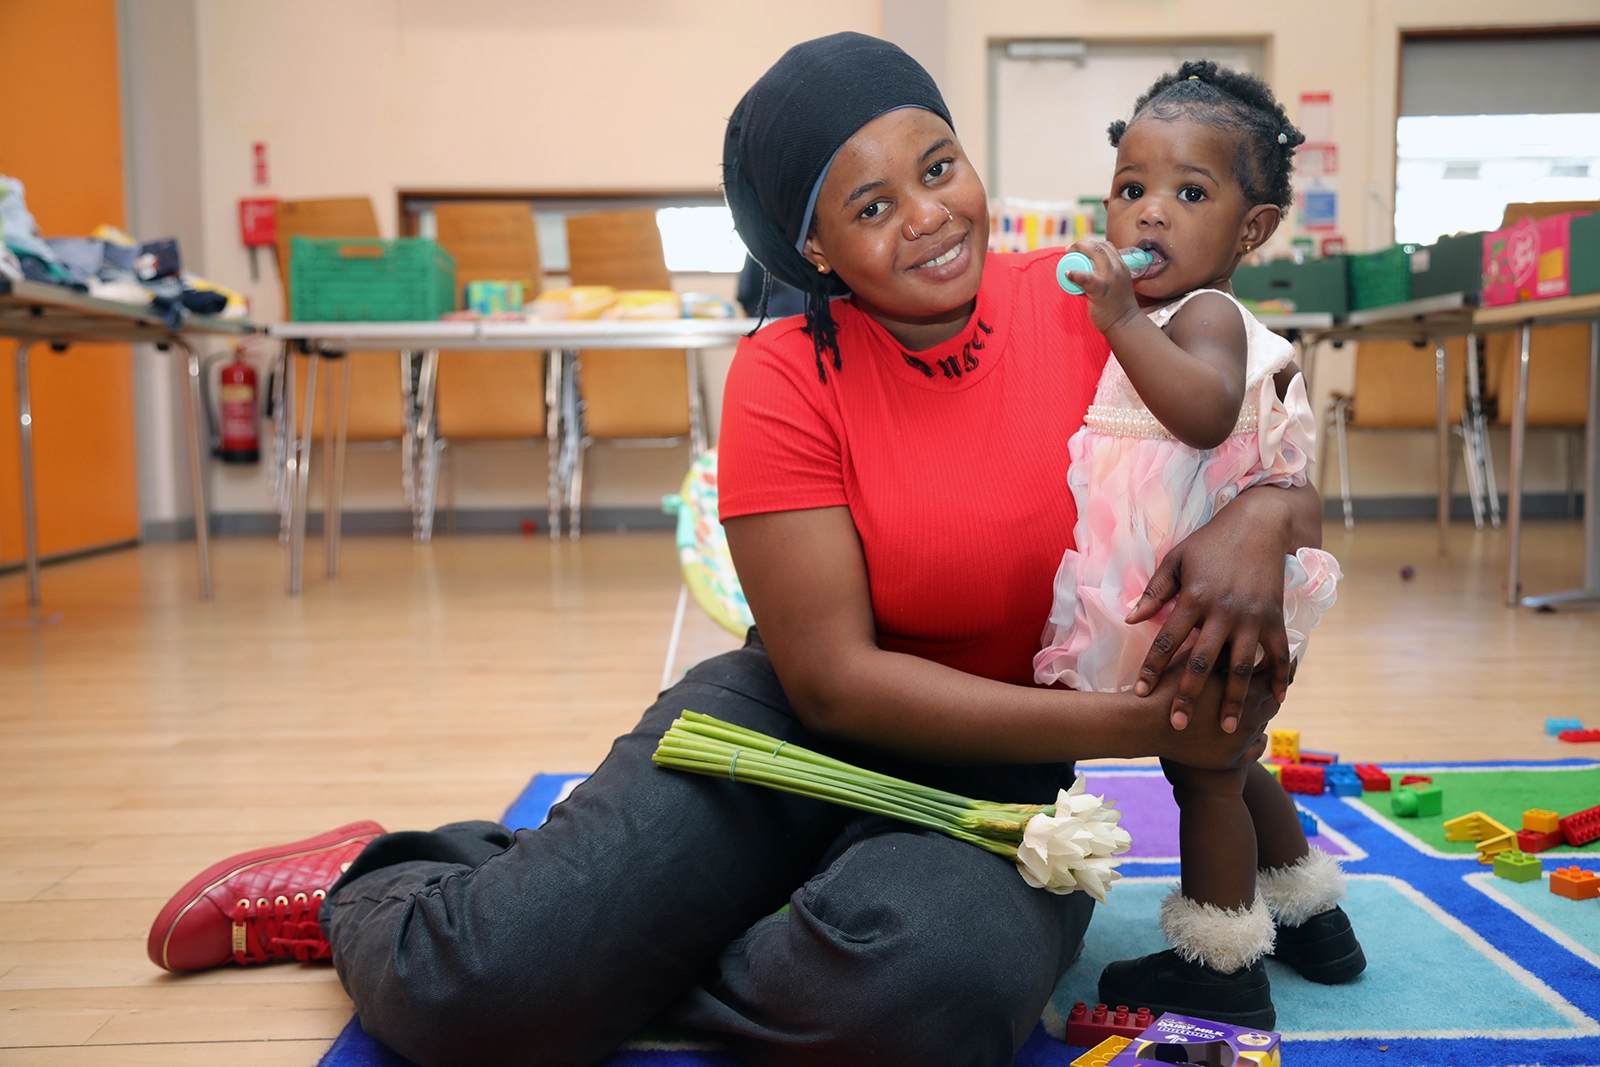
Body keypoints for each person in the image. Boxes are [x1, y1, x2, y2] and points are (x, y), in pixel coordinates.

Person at [146, 35, 1322, 1067]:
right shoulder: (779, 372)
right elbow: (832, 677)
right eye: (868, 207)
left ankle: (622, 945)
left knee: (922, 1001)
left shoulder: (1091, 300)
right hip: (784, 722)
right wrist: (1140, 727)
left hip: (994, 759)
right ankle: (378, 881)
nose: (926, 217)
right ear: (812, 248)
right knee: (483, 995)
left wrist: (1263, 512)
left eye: (936, 166)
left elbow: (1258, 430)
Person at [1032, 62, 1365, 1026]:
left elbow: (1207, 415)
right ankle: (1313, 917)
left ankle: (1220, 966)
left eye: (1189, 193)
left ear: (1250, 229)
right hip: (1182, 590)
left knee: (1207, 772)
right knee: (1229, 753)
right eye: (1131, 190)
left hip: (1212, 603)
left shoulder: (1208, 318)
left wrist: (1120, 318)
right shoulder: (1171, 320)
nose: (1150, 216)